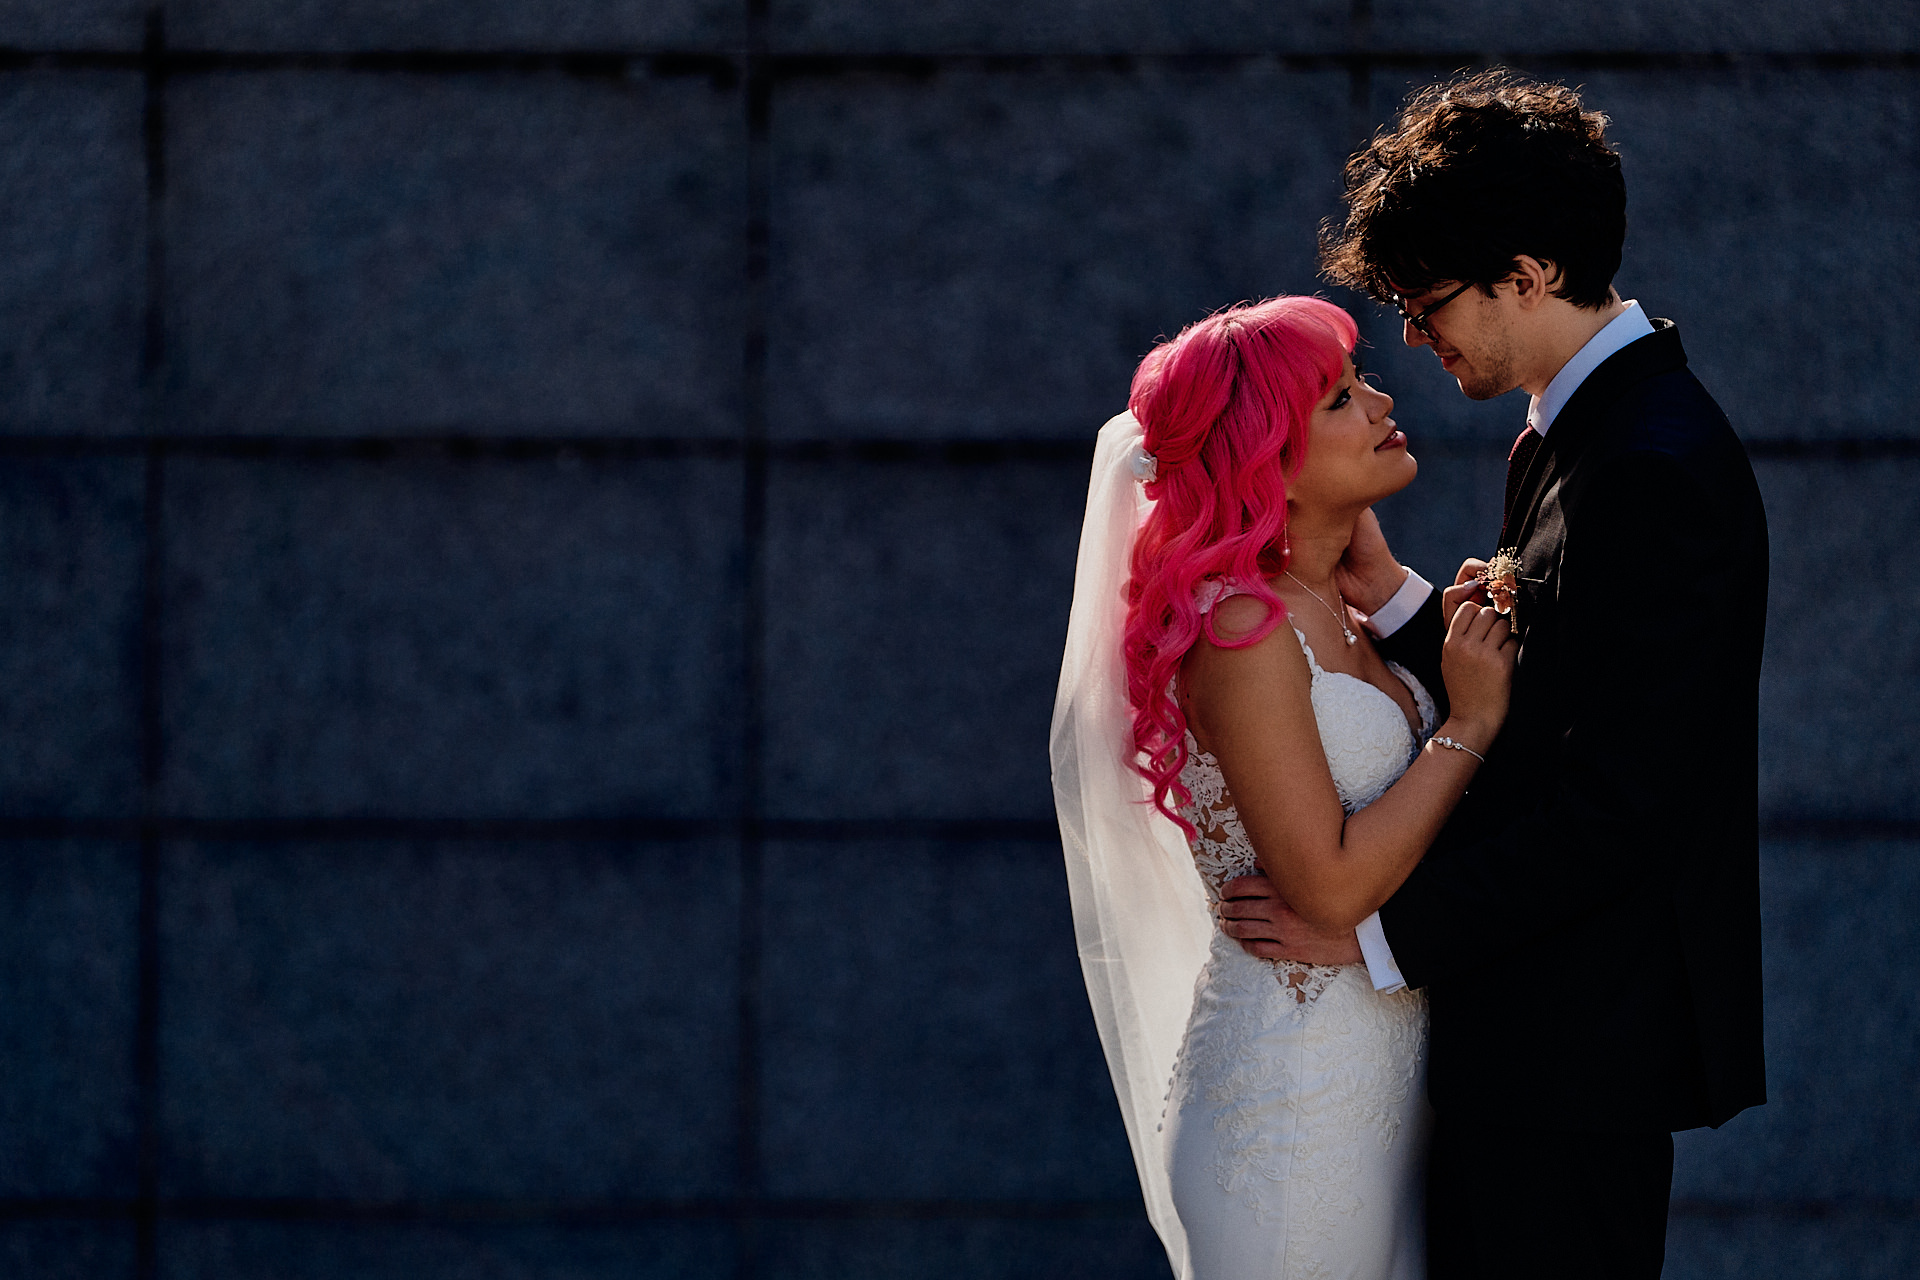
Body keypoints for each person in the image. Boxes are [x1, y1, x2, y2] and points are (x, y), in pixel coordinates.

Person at [1220, 70, 1770, 1279]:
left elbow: (1618, 803)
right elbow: (1546, 697)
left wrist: (1366, 938)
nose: (1418, 343)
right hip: (1526, 1038)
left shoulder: (1650, 464)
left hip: (1576, 1051)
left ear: (1526, 272)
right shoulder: (1583, 430)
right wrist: (1409, 604)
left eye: (1429, 307)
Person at [1051, 293, 1518, 1279]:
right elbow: (1333, 886)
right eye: (1343, 398)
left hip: (1379, 1092)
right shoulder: (1239, 629)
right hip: (1289, 1104)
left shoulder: (1329, 607)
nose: (1386, 399)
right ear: (1271, 456)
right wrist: (1469, 725)